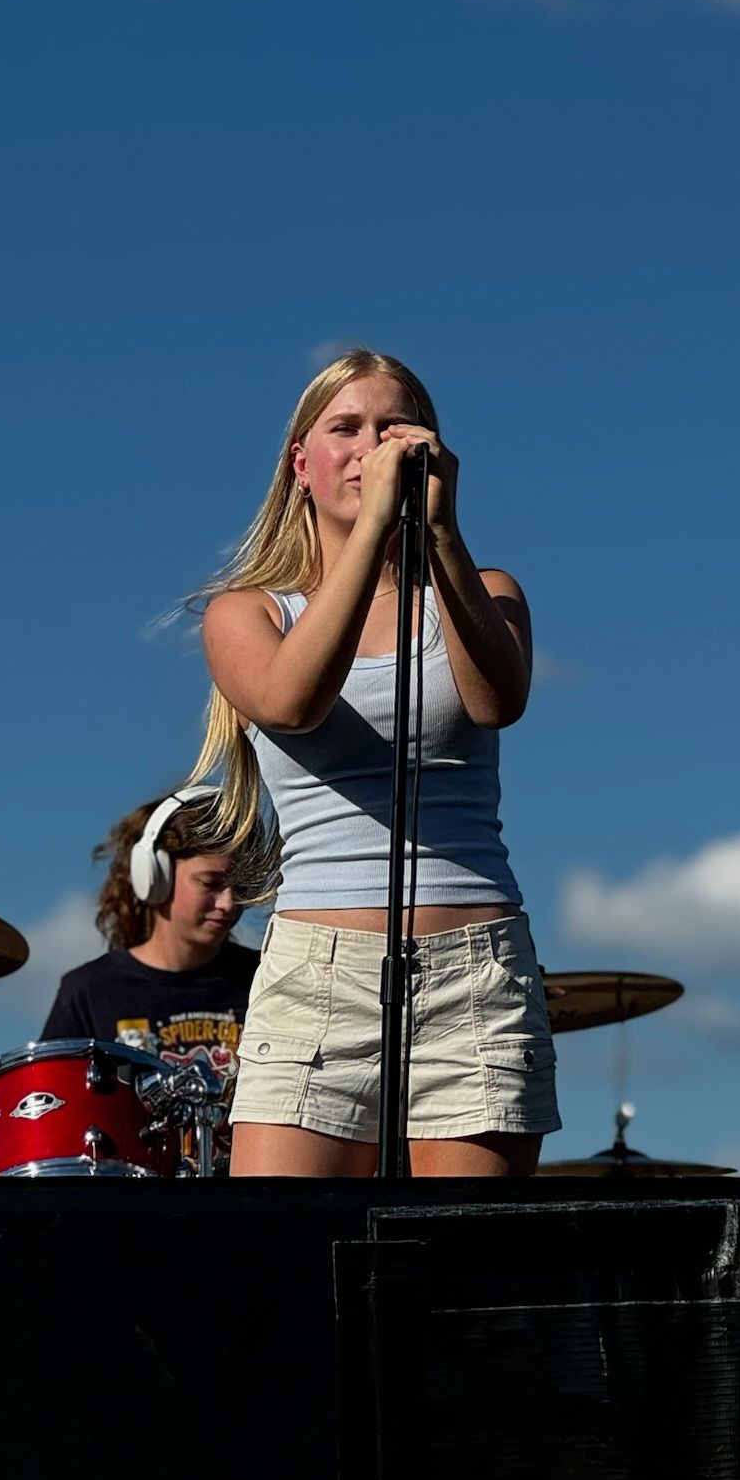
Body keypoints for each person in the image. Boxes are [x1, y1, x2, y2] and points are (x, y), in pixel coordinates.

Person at [183, 348, 558, 1177]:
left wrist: (439, 535)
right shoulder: (249, 611)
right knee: (283, 1266)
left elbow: (499, 699)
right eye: (345, 428)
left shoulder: (486, 588)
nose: (370, 445)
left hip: (474, 969)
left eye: (392, 426)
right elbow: (291, 700)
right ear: (300, 465)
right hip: (320, 971)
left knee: (459, 1277)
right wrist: (369, 539)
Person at [40, 788, 260, 1097]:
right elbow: (49, 1106)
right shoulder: (89, 992)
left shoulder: (266, 979)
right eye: (211, 883)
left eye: (241, 887)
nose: (228, 903)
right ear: (155, 876)